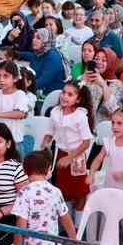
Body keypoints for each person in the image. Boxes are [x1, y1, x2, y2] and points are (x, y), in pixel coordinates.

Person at [45, 79, 94, 211]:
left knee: (79, 191)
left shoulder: (80, 116)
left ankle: (78, 220)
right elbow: (50, 132)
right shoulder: (55, 112)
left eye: (70, 94)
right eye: (63, 92)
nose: (65, 96)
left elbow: (86, 142)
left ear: (78, 100)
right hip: (60, 154)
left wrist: (70, 158)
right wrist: (44, 144)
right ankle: (65, 219)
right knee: (63, 189)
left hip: (77, 156)